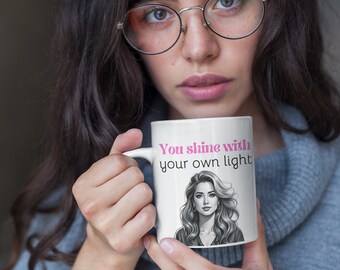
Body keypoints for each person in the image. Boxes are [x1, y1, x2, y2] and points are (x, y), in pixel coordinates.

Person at [5, 0, 340, 269]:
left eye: (227, 2)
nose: (198, 48)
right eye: (158, 13)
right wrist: (104, 257)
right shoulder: (75, 202)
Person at [175, 171, 244, 246]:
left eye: (212, 195)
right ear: (193, 202)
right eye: (199, 196)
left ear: (218, 201)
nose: (206, 201)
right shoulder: (182, 235)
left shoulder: (233, 233)